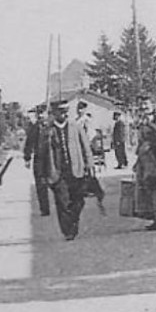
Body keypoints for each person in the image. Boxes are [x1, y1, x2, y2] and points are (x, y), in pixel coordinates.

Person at [41, 99, 96, 240]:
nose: (64, 115)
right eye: (61, 112)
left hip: (76, 171)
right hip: (58, 173)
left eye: (66, 111)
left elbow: (86, 147)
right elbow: (43, 154)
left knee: (79, 201)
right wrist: (44, 174)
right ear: (54, 113)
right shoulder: (48, 130)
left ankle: (74, 219)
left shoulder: (75, 127)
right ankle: (68, 231)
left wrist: (89, 165)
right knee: (62, 203)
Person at [73, 100, 108, 214]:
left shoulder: (86, 121)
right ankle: (84, 188)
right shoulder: (75, 121)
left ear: (85, 110)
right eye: (78, 108)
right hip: (77, 147)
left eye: (81, 108)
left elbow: (91, 134)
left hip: (85, 146)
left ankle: (94, 189)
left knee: (88, 169)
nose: (79, 110)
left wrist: (86, 144)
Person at [21, 105, 51, 216]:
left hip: (52, 158)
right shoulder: (34, 127)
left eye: (43, 113)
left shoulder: (52, 126)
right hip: (39, 159)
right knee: (40, 184)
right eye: (40, 113)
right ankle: (45, 209)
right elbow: (29, 143)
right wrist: (27, 158)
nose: (42, 115)